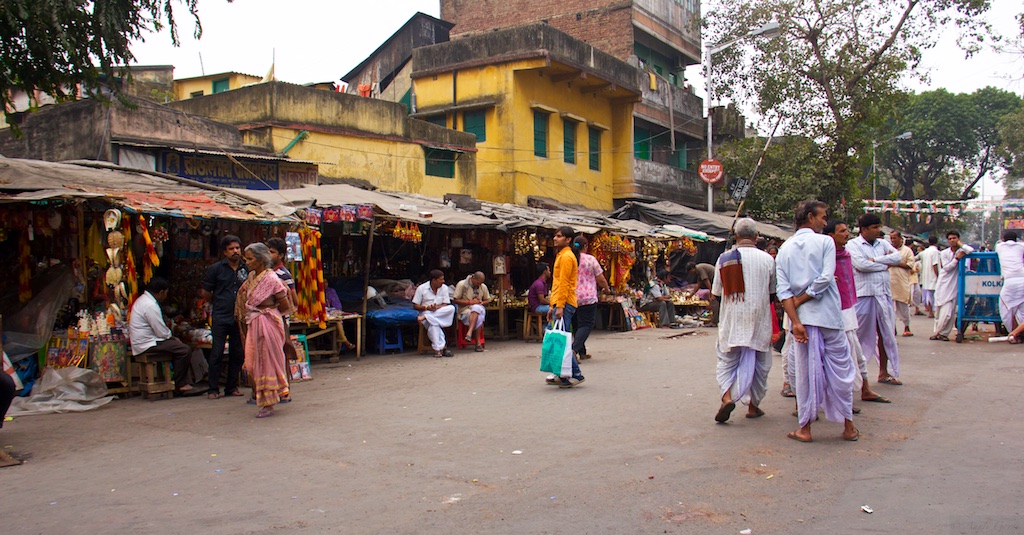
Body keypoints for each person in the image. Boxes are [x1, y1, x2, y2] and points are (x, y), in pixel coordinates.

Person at [776, 200, 858, 443]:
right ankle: (848, 426)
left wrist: (795, 317)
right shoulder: (825, 242)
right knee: (841, 370)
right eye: (823, 217)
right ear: (810, 217)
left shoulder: (785, 248)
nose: (825, 222)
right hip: (829, 317)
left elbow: (783, 291)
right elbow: (825, 278)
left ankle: (806, 428)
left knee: (806, 373)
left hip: (802, 320)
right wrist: (803, 300)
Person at [711, 218, 776, 423]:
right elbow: (772, 292)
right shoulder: (767, 259)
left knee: (726, 362)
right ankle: (753, 406)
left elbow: (717, 293)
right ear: (756, 237)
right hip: (759, 320)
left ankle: (727, 397)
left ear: (736, 236)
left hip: (732, 321)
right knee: (761, 365)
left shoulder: (724, 258)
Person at [826, 220, 891, 406]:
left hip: (849, 308)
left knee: (856, 352)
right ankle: (838, 398)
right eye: (842, 231)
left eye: (847, 230)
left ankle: (865, 389)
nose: (847, 234)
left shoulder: (845, 254)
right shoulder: (825, 255)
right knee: (838, 356)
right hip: (831, 311)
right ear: (831, 235)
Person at [848, 214, 908, 386]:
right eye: (874, 227)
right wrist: (884, 264)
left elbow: (897, 258)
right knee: (858, 335)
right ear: (864, 229)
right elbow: (861, 265)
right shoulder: (854, 245)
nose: (878, 231)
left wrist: (875, 260)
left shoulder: (882, 243)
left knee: (886, 333)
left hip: (882, 294)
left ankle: (884, 371)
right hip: (864, 295)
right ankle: (856, 374)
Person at [235, 243, 292, 418]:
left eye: (250, 259)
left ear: (260, 259)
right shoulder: (254, 277)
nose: (247, 262)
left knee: (266, 362)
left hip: (267, 323)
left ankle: (268, 403)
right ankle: (270, 396)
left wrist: (267, 315)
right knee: (255, 363)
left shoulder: (272, 279)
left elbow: (285, 305)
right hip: (256, 323)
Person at [128, 277, 208, 396]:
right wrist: (171, 337)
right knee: (184, 350)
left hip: (144, 341)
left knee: (179, 346)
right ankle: (180, 385)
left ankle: (183, 382)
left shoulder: (143, 301)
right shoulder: (150, 305)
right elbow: (161, 331)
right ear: (161, 292)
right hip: (147, 343)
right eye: (165, 293)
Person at [200, 235, 248, 399]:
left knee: (237, 353)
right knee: (217, 352)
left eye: (237, 248)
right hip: (221, 315)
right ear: (224, 252)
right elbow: (206, 292)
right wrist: (218, 302)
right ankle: (213, 389)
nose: (235, 251)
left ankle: (231, 387)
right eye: (231, 249)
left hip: (239, 317)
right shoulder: (216, 269)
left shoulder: (246, 268)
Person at [545, 226, 584, 387]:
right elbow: (557, 284)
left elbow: (564, 284)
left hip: (565, 302)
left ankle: (574, 374)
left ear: (568, 240)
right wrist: (552, 306)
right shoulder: (562, 255)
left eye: (559, 236)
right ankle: (562, 372)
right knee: (559, 338)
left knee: (562, 340)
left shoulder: (567, 257)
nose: (555, 238)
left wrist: (559, 306)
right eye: (555, 235)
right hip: (560, 302)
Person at [572, 235, 610, 359]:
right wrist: (606, 288)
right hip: (588, 297)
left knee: (577, 325)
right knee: (586, 324)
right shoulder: (590, 259)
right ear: (585, 246)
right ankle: (574, 350)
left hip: (572, 296)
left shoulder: (570, 258)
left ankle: (582, 352)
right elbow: (601, 278)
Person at [932, 231, 973, 342]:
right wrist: (956, 259)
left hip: (954, 284)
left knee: (948, 313)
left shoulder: (962, 251)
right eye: (950, 239)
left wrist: (960, 246)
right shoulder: (944, 253)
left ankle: (943, 333)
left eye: (954, 238)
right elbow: (946, 268)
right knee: (939, 310)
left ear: (958, 239)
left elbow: (971, 250)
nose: (952, 240)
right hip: (944, 283)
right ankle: (937, 333)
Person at [413, 269, 456, 358]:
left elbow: (445, 304)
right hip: (426, 311)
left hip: (439, 313)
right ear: (434, 280)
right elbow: (415, 305)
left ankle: (426, 317)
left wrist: (437, 308)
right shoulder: (422, 288)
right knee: (434, 325)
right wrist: (427, 308)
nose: (443, 281)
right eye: (441, 279)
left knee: (451, 308)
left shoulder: (444, 288)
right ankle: (438, 350)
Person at [996, 230, 1024, 341]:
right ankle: (1019, 334)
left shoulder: (999, 246)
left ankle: (1014, 333)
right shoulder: (1021, 246)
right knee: (1022, 310)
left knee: (1006, 308)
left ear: (1003, 238)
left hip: (1010, 281)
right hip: (1022, 278)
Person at [453, 271, 491, 352]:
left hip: (479, 309)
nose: (479, 285)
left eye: (481, 283)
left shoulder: (482, 286)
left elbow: (488, 300)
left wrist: (482, 302)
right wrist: (470, 302)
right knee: (478, 315)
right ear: (473, 278)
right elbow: (455, 300)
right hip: (465, 311)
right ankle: (478, 344)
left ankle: (469, 333)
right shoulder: (462, 285)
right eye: (478, 283)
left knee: (477, 308)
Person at [889, 231, 917, 337]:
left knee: (903, 306)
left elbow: (910, 265)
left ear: (900, 239)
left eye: (895, 238)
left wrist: (895, 263)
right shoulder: (888, 250)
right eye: (891, 238)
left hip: (902, 282)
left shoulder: (907, 251)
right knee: (890, 308)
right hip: (889, 282)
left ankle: (906, 326)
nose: (893, 240)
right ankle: (893, 328)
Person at [687, 261, 719, 325]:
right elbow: (698, 285)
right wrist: (691, 295)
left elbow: (706, 280)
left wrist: (711, 292)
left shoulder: (699, 268)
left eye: (690, 271)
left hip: (717, 281)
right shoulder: (698, 272)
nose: (691, 273)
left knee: (714, 301)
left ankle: (714, 322)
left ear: (692, 268)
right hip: (715, 282)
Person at [917, 236, 941, 318]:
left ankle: (930, 311)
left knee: (929, 295)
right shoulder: (936, 252)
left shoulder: (924, 252)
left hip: (926, 276)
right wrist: (938, 276)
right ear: (936, 242)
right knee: (937, 295)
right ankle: (935, 312)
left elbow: (915, 258)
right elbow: (935, 265)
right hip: (933, 276)